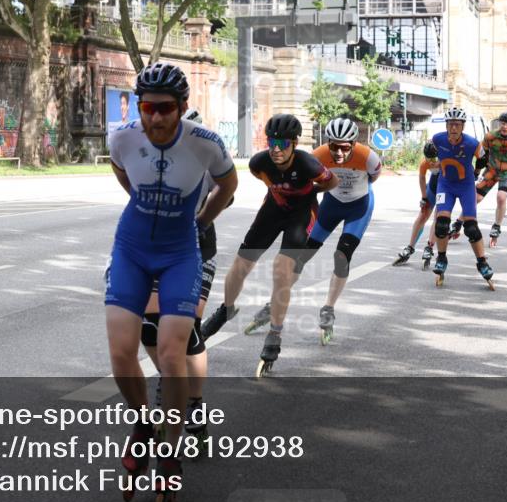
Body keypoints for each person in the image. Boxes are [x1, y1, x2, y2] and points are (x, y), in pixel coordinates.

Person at [104, 63, 238, 502]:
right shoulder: (123, 138)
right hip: (132, 249)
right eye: (147, 108)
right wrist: (141, 202)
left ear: (181, 108)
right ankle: (144, 424)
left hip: (181, 253)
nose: (156, 117)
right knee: (121, 351)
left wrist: (202, 219)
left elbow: (229, 185)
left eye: (164, 109)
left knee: (170, 352)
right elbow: (121, 171)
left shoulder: (205, 143)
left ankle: (171, 447)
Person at [200, 114, 337, 375]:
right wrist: (282, 191)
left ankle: (274, 333)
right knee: (241, 265)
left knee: (281, 270)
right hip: (273, 210)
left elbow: (332, 182)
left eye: (282, 144)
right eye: (272, 142)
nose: (276, 149)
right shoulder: (258, 163)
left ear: (294, 144)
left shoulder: (308, 164)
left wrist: (309, 192)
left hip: (301, 214)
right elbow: (263, 179)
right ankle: (226, 310)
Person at [136, 108, 219, 446]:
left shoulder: (207, 161)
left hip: (197, 252)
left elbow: (226, 192)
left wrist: (201, 219)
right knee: (148, 326)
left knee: (187, 329)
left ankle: (195, 406)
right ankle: (169, 380)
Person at [297, 117, 381, 344]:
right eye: (334, 146)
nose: (339, 152)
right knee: (303, 253)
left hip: (359, 207)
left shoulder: (368, 157)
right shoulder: (317, 156)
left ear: (353, 144)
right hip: (331, 204)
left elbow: (373, 178)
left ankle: (328, 308)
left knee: (341, 256)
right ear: (328, 143)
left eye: (345, 147)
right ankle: (276, 299)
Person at [430, 107, 494, 287]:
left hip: (466, 186)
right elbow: (431, 159)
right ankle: (441, 258)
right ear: (446, 125)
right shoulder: (437, 139)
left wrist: (477, 172)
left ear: (463, 126)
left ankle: (482, 262)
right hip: (445, 185)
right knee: (441, 224)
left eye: (457, 125)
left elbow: (483, 159)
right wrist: (430, 158)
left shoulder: (472, 143)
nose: (453, 128)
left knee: (471, 228)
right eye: (450, 124)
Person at [467, 110, 507, 245]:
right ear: (500, 124)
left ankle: (496, 226)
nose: (505, 127)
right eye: (503, 123)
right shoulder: (490, 136)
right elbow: (482, 156)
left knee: (501, 197)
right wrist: (476, 172)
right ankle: (459, 222)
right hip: (492, 170)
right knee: (475, 198)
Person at [392, 140, 440, 267]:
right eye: (428, 159)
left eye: (434, 159)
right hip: (433, 187)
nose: (431, 162)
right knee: (423, 215)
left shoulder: (446, 160)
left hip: (445, 189)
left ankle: (429, 247)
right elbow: (422, 179)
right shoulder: (425, 163)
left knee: (439, 217)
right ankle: (410, 247)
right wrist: (424, 197)